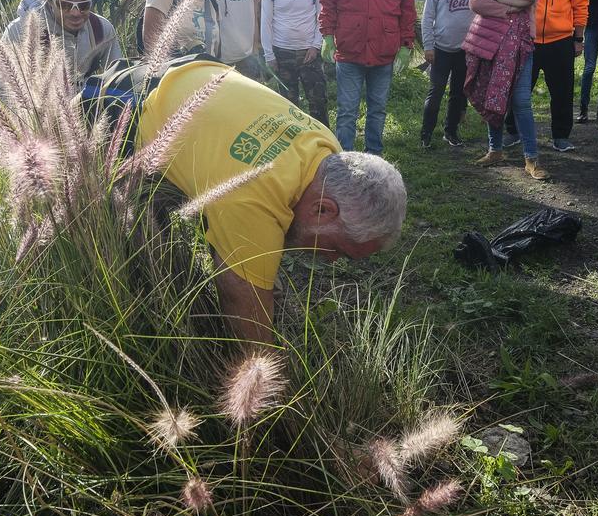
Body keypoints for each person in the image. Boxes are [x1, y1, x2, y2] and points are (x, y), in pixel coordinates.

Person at [136, 59, 406, 344]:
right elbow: (239, 296)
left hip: (198, 73)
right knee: (143, 258)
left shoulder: (328, 151)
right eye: (338, 249)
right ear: (323, 209)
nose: (332, 259)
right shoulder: (253, 199)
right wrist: (264, 365)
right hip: (132, 106)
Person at [319, 0, 416, 157]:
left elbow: (407, 10)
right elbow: (328, 1)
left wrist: (406, 45)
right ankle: (345, 161)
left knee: (378, 110)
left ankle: (374, 159)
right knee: (347, 111)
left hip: (384, 52)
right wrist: (327, 35)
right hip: (349, 50)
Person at [463, 0, 550, 182]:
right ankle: (495, 150)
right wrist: (510, 7)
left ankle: (531, 158)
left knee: (521, 100)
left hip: (521, 44)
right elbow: (475, 2)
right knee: (493, 95)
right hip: (490, 41)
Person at [504, 0, 588, 152]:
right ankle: (512, 131)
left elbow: (581, 4)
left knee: (562, 93)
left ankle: (561, 136)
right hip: (528, 40)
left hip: (560, 41)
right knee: (518, 89)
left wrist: (578, 39)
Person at [2, 0, 123, 85]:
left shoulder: (101, 28)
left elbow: (119, 79)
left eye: (84, 5)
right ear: (49, 0)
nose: (75, 13)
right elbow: (1, 86)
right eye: (64, 5)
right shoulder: (19, 31)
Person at [260, 0, 327, 126]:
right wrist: (269, 55)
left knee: (318, 102)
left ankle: (324, 140)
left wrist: (316, 46)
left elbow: (322, 17)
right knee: (288, 106)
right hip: (282, 53)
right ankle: (293, 143)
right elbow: (265, 22)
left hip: (309, 53)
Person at [419, 0, 474, 148]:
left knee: (458, 94)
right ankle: (426, 133)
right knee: (436, 93)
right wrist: (428, 46)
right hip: (440, 49)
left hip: (465, 50)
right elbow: (427, 16)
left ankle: (451, 132)